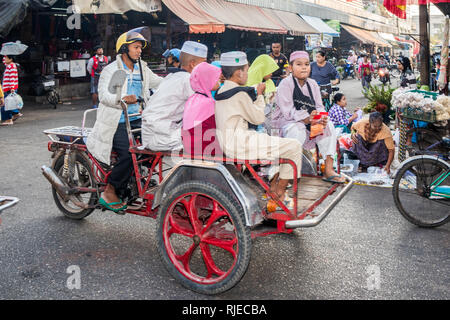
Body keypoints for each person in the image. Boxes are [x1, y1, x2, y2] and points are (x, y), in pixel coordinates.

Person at [86, 27, 163, 213]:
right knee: (130, 154)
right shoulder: (113, 70)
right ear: (124, 49)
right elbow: (104, 95)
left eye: (140, 48)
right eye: (136, 47)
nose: (139, 51)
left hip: (137, 120)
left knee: (154, 148)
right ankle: (110, 190)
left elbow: (159, 82)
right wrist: (121, 99)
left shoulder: (142, 68)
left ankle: (135, 181)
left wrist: (180, 80)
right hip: (116, 122)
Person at [214, 51, 303, 208]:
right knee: (294, 146)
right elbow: (259, 118)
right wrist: (260, 95)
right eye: (246, 70)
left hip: (231, 141)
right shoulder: (239, 94)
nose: (248, 74)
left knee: (280, 147)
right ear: (238, 72)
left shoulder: (222, 90)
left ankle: (275, 188)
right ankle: (278, 193)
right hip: (240, 143)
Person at [273, 51, 345, 184]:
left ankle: (328, 169)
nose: (304, 67)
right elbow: (288, 111)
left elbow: (319, 106)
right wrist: (307, 119)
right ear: (290, 68)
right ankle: (287, 174)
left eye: (306, 64)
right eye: (299, 64)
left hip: (311, 122)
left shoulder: (313, 84)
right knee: (298, 129)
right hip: (288, 122)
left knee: (328, 126)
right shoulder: (285, 84)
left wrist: (322, 118)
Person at [141, 41, 208, 151]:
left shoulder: (172, 76)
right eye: (204, 63)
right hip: (161, 136)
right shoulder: (188, 80)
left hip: (156, 132)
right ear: (193, 64)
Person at [181, 62, 222, 157]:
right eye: (216, 79)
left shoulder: (193, 99)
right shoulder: (208, 103)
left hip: (190, 148)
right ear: (207, 80)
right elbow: (217, 128)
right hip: (205, 151)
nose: (219, 81)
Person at [1, 55, 21, 126]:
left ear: (11, 59)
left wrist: (12, 87)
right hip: (8, 88)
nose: (5, 59)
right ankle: (16, 113)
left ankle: (8, 119)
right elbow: (4, 61)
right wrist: (5, 53)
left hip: (9, 88)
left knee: (6, 104)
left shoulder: (11, 66)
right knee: (9, 103)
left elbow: (12, 77)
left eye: (6, 58)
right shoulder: (9, 65)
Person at [87, 44, 109, 109]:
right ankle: (94, 105)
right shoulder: (92, 59)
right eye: (99, 50)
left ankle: (103, 104)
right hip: (95, 77)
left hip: (104, 77)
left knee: (104, 90)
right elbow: (89, 68)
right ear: (96, 52)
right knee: (95, 91)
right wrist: (93, 74)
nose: (100, 51)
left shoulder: (105, 58)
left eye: (101, 49)